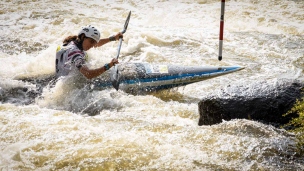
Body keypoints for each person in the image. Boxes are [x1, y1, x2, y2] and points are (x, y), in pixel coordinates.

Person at [55, 25, 122, 79]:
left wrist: (113, 38)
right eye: (91, 42)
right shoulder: (75, 53)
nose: (92, 46)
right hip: (67, 86)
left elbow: (97, 43)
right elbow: (88, 74)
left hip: (60, 76)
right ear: (83, 36)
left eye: (94, 43)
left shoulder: (72, 41)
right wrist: (108, 65)